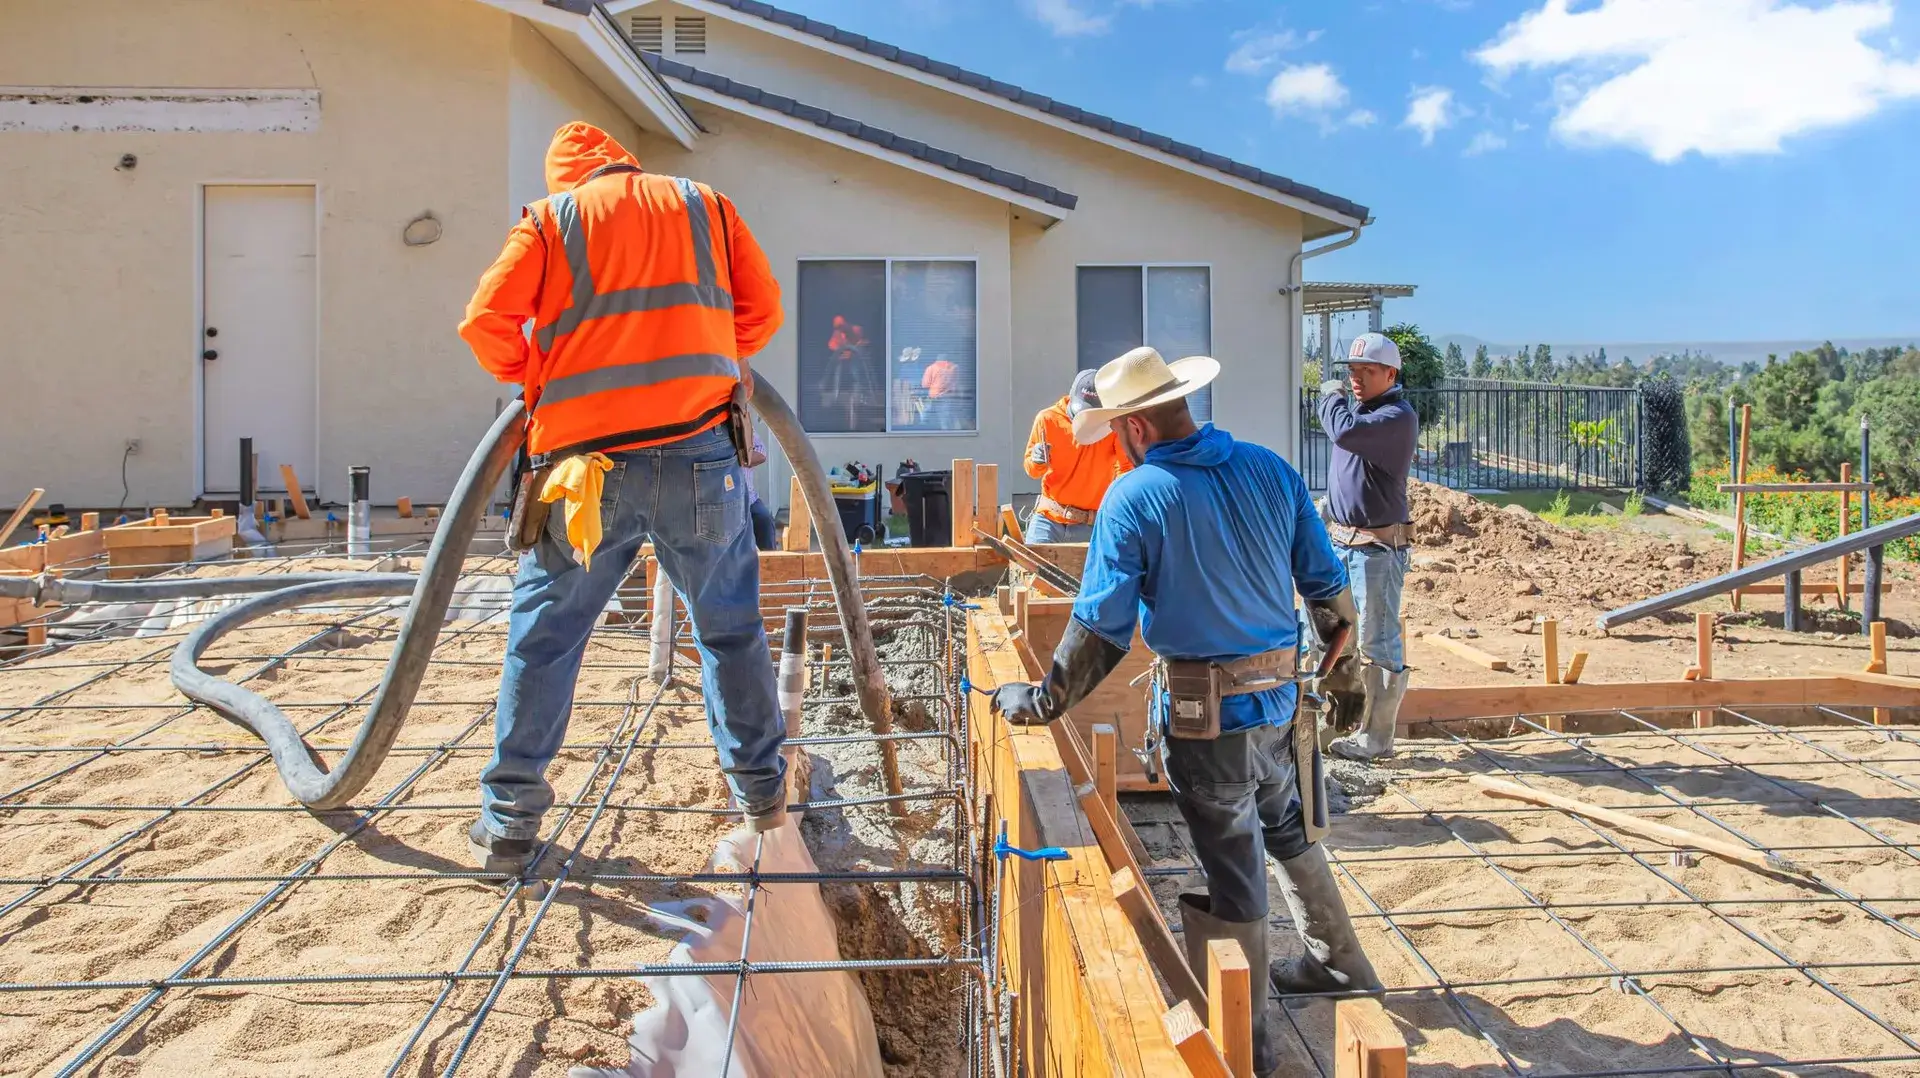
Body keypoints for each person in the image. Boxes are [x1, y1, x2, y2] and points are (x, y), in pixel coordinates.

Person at [991, 347, 1381, 1078]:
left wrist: (1042, 701)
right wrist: (1346, 668)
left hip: (1211, 722)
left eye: (1112, 432)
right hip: (1281, 703)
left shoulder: (1136, 496)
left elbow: (1101, 631)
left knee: (1233, 869)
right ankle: (1340, 963)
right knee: (1289, 825)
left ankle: (1248, 1049)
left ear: (1134, 427)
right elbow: (1329, 590)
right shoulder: (1269, 468)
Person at [458, 121, 788, 872]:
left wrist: (539, 373)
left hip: (585, 469)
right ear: (623, 163)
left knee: (546, 641)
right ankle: (763, 799)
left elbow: (486, 325)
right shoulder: (704, 205)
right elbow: (762, 315)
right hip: (701, 452)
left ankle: (509, 825)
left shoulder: (552, 220)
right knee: (730, 632)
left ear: (567, 178)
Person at [1316, 332, 1419, 761]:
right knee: (1332, 639)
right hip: (1340, 542)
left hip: (1376, 550)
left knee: (1377, 642)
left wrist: (1329, 395)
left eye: (1367, 371)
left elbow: (1343, 432)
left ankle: (1377, 738)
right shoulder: (1364, 412)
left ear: (1390, 374)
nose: (1356, 378)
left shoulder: (1395, 416)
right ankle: (1337, 724)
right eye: (1352, 371)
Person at [1021, 369, 1131, 543]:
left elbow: (1126, 470)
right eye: (1080, 412)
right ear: (1071, 397)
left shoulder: (1111, 425)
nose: (1083, 420)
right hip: (1049, 519)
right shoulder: (1048, 419)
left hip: (1092, 523)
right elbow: (1032, 470)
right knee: (1030, 569)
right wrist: (1036, 460)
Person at [744, 433, 776, 551]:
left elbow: (761, 453)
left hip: (750, 500)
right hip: (720, 503)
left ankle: (771, 564)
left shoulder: (743, 424)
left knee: (765, 520)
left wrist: (738, 459)